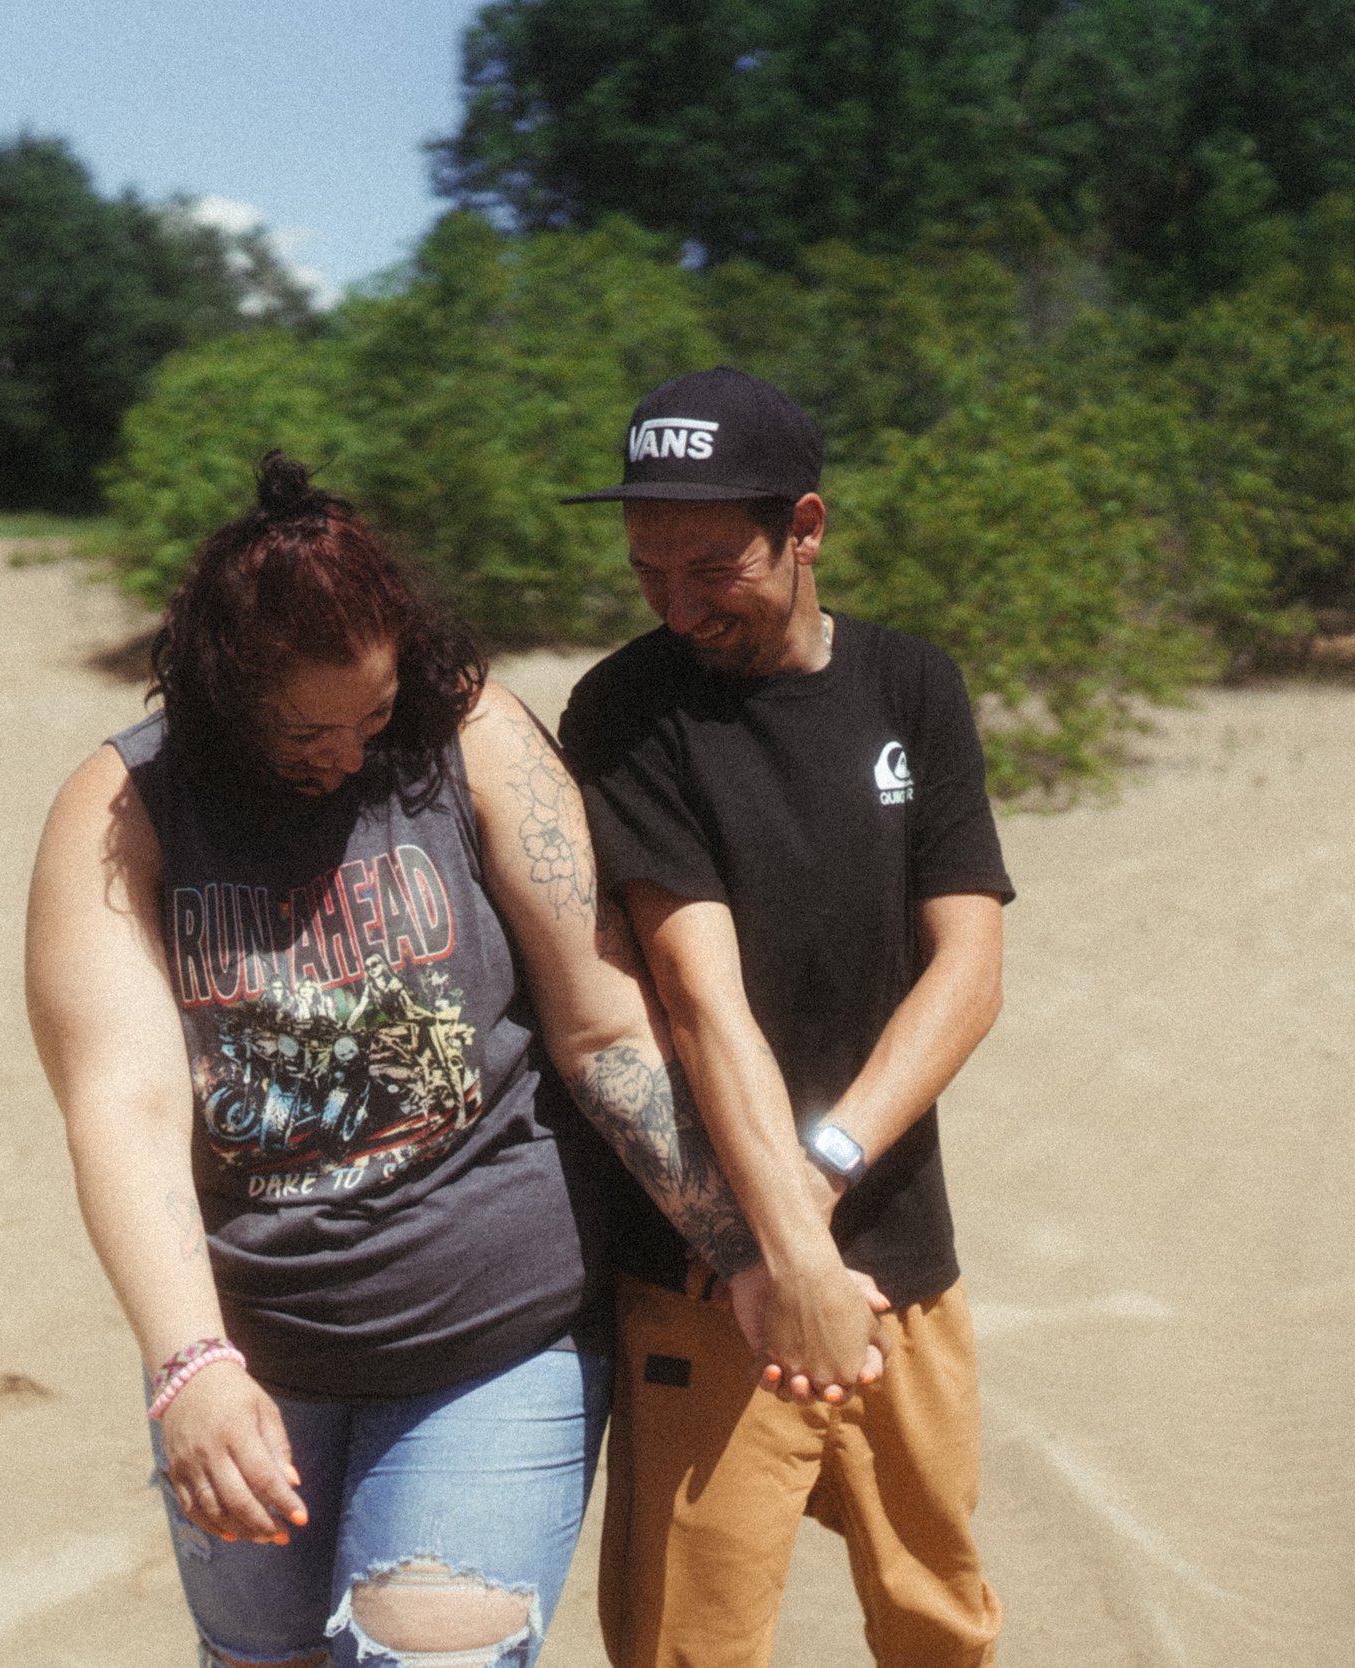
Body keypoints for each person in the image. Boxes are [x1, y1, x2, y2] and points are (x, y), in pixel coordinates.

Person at [24, 454, 765, 1668]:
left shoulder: (472, 734)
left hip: (497, 1326)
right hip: (254, 1346)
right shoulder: (123, 810)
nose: (351, 755)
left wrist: (748, 1245)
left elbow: (603, 1027)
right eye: (308, 730)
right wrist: (189, 1367)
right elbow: (124, 1105)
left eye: (372, 716)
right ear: (221, 694)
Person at [557, 368, 1015, 1667]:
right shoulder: (626, 711)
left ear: (804, 527)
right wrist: (777, 1257)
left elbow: (968, 971)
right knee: (688, 1646)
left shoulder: (911, 686)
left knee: (940, 1624)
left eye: (715, 566)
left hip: (897, 1256)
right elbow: (700, 1004)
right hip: (710, 1282)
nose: (679, 602)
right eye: (649, 570)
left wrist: (816, 1198)